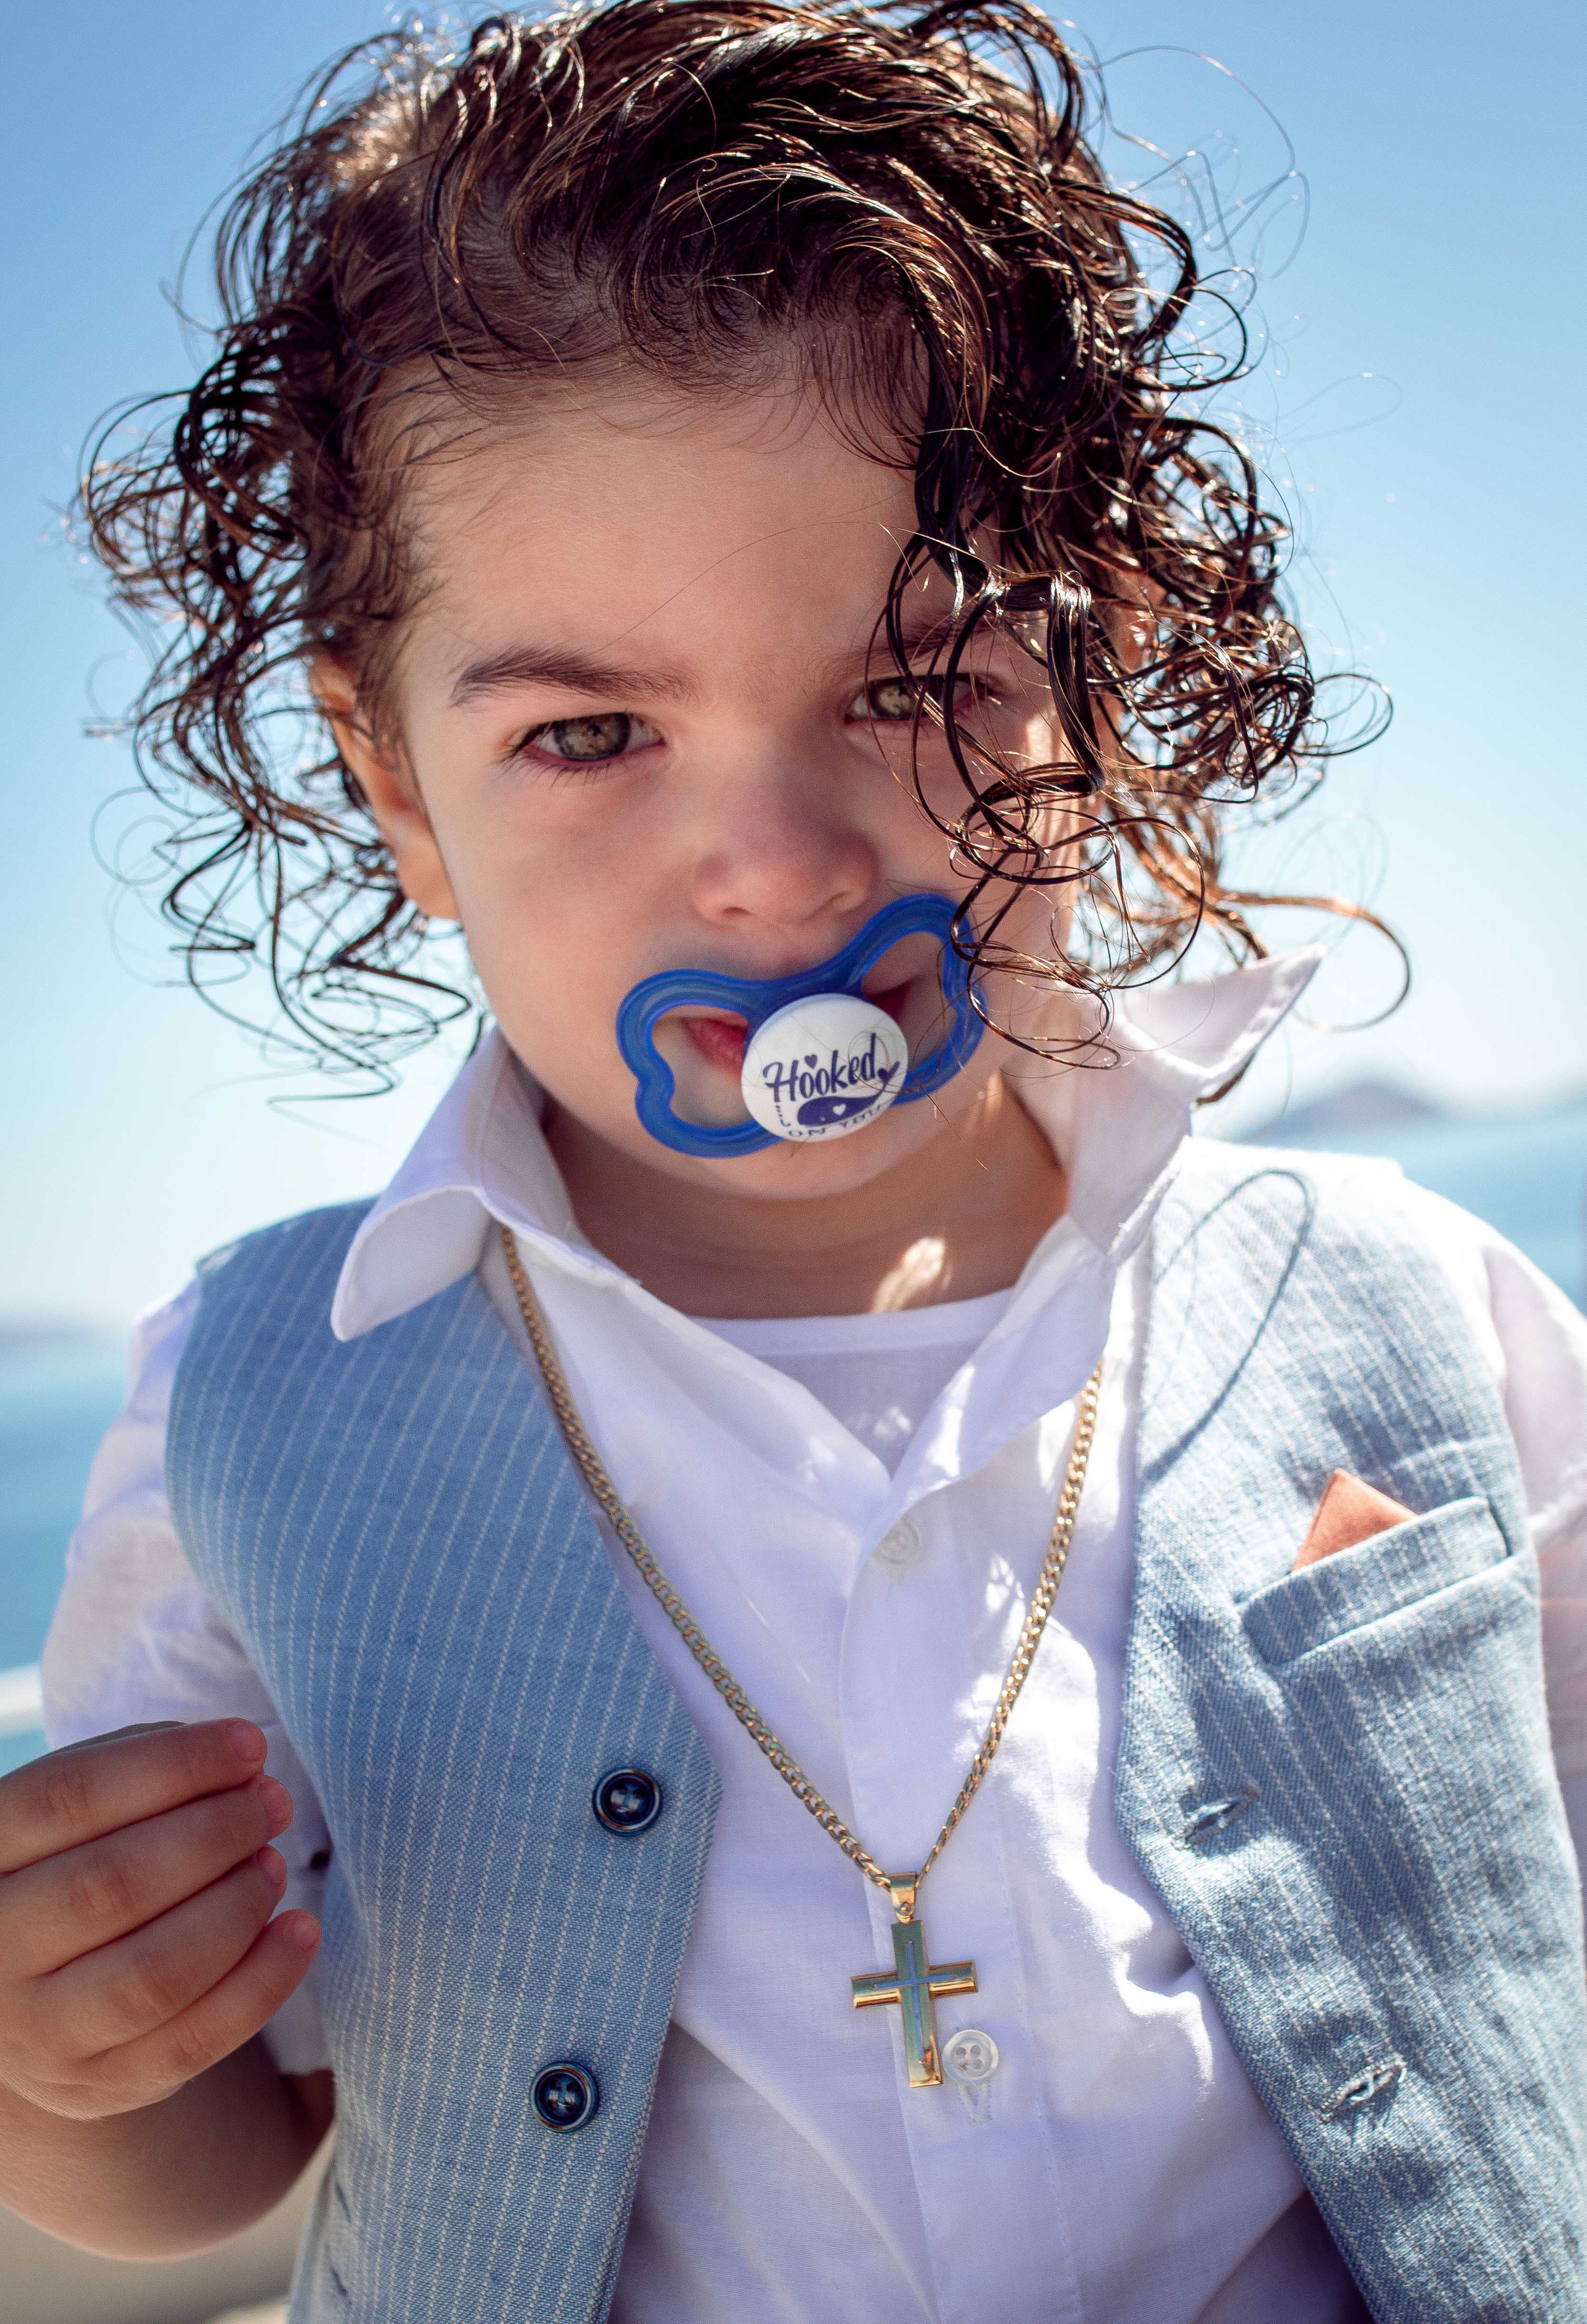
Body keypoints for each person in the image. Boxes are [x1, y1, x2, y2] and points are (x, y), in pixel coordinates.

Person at [2, 4, 1585, 2317]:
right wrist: (71, 2068)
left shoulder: (1406, 1298)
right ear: (394, 783)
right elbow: (217, 2173)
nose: (769, 864)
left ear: (1103, 671)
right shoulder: (262, 1404)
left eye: (914, 682)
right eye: (589, 732)